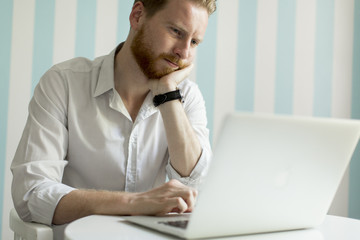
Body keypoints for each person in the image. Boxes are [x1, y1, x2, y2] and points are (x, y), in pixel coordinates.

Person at [11, 0, 216, 232]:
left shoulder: (186, 97)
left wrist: (168, 94)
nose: (184, 52)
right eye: (176, 31)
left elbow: (196, 188)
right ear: (137, 15)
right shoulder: (64, 83)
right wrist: (135, 204)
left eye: (195, 41)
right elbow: (30, 194)